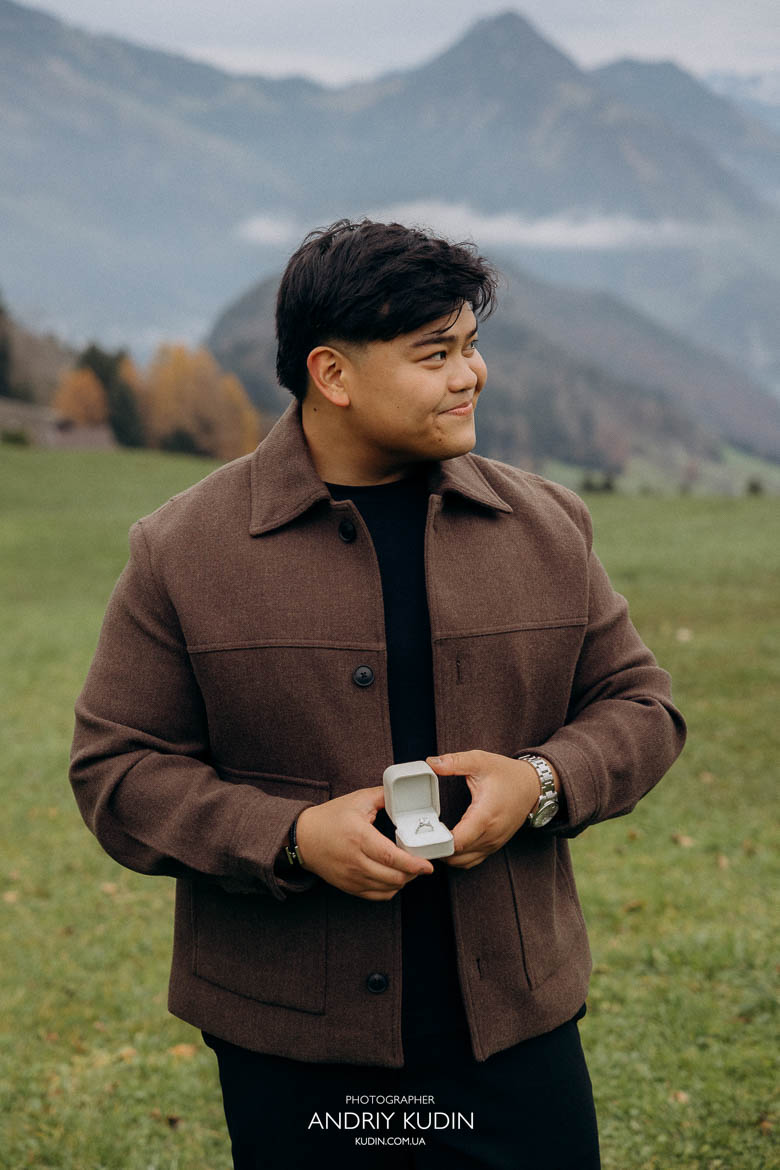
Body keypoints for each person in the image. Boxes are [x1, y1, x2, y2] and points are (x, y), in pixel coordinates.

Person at [70, 218, 686, 1170]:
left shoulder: (550, 526)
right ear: (333, 374)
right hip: (295, 1050)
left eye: (472, 348)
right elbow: (117, 772)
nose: (470, 375)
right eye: (434, 353)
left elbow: (642, 708)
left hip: (516, 1036)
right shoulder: (181, 550)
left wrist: (541, 781)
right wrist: (286, 839)